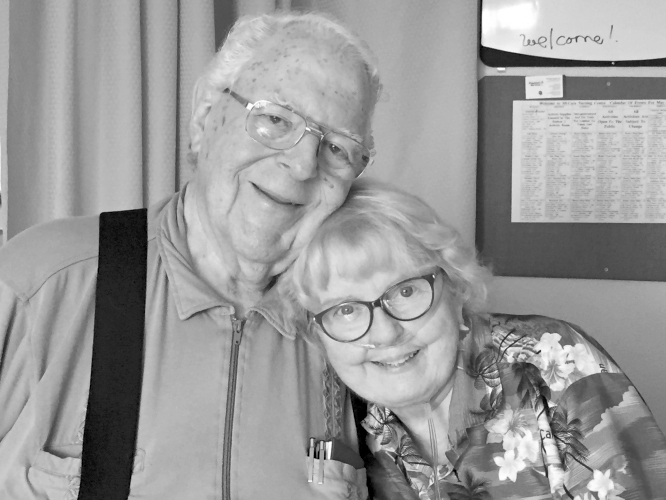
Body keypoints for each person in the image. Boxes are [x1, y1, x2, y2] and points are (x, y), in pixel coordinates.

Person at [0, 11, 381, 499]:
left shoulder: (366, 329)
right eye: (275, 119)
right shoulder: (39, 285)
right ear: (204, 118)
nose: (304, 164)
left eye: (338, 148)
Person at [287, 178, 666, 499]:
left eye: (406, 291)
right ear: (318, 333)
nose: (385, 332)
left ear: (455, 289)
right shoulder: (358, 423)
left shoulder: (552, 361)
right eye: (346, 310)